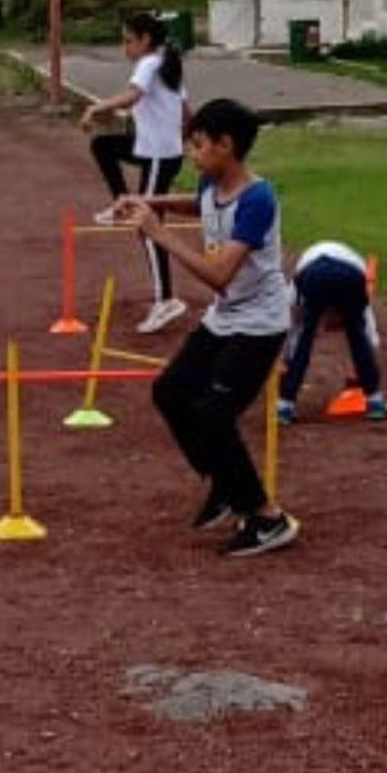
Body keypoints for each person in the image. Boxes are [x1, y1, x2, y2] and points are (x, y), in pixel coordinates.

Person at [114, 98, 299, 558]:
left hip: (260, 324)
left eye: (198, 146)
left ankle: (267, 516)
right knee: (171, 392)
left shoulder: (258, 199)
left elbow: (219, 275)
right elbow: (196, 202)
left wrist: (159, 233)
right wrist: (148, 202)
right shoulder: (213, 183)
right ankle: (224, 484)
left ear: (227, 145)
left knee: (215, 415)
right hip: (226, 318)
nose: (192, 155)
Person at [81, 12, 191, 334]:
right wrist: (191, 138)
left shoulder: (150, 64)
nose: (124, 47)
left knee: (148, 228)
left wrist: (94, 108)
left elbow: (131, 97)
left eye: (128, 40)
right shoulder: (166, 64)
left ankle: (166, 300)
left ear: (145, 40)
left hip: (158, 156)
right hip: (153, 150)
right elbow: (185, 111)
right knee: (104, 146)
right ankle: (122, 204)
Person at [276, 241, 387, 425]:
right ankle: (375, 401)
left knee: (306, 335)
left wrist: (286, 360)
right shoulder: (358, 289)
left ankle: (285, 405)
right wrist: (361, 375)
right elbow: (369, 336)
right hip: (349, 275)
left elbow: (291, 329)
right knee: (356, 332)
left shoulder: (296, 291)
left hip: (314, 273)